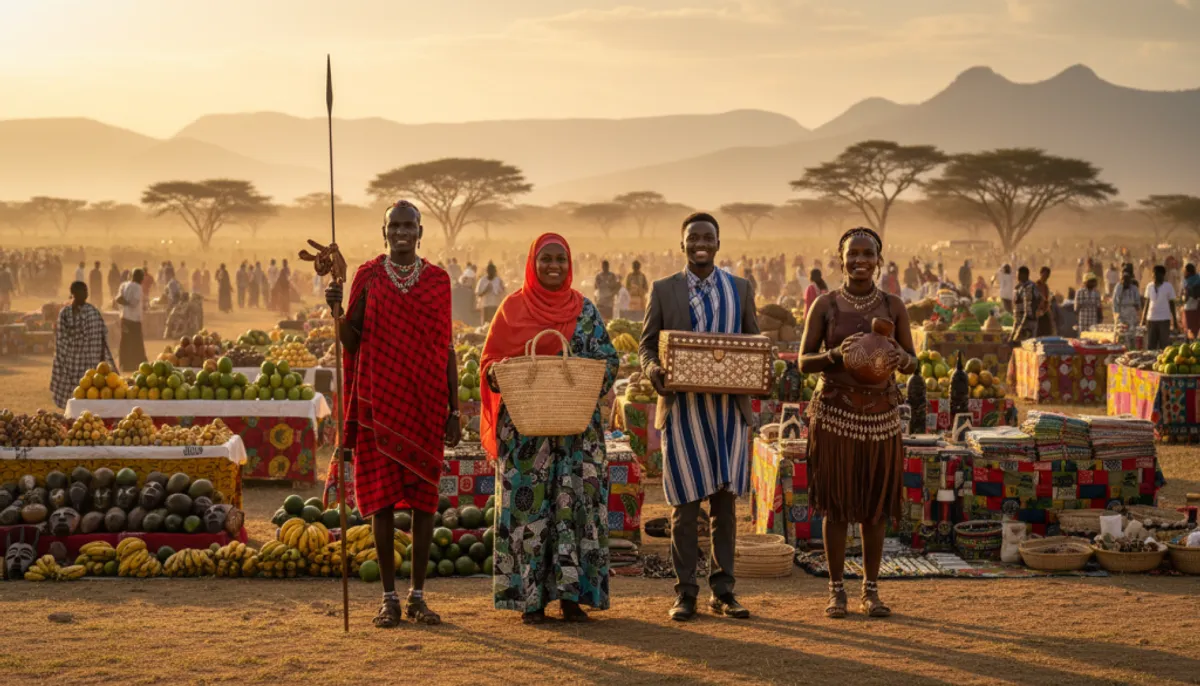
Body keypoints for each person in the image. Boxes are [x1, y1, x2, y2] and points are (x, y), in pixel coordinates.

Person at [324, 201, 459, 629]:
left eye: (409, 225)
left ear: (421, 232)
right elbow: (351, 340)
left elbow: (448, 348)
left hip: (426, 403)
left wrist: (455, 409)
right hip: (378, 403)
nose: (402, 232)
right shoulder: (368, 276)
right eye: (394, 225)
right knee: (380, 503)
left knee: (423, 504)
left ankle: (418, 596)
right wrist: (335, 309)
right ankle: (388, 599)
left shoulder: (439, 281)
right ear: (384, 232)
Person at [479, 234, 618, 624]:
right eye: (546, 259)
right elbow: (489, 361)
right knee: (529, 511)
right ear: (532, 263)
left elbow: (609, 360)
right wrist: (497, 374)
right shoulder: (511, 309)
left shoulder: (586, 311)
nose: (554, 266)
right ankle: (531, 600)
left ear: (569, 263)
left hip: (577, 435)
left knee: (575, 506)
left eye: (560, 259)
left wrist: (577, 376)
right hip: (525, 436)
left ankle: (572, 598)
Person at [640, 212, 759, 623]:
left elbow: (753, 342)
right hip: (684, 414)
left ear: (719, 243)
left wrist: (762, 370)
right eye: (693, 238)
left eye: (708, 237)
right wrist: (653, 370)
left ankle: (723, 591)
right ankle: (685, 592)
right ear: (682, 244)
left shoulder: (740, 289)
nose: (700, 243)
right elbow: (647, 347)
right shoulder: (663, 290)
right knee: (685, 509)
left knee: (725, 509)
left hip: (728, 416)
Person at [799, 227, 914, 619]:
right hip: (835, 415)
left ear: (879, 260)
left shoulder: (894, 306)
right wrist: (835, 355)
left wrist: (902, 359)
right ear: (841, 257)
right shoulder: (826, 305)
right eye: (853, 254)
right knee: (837, 506)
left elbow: (913, 361)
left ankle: (871, 590)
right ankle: (836, 591)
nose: (860, 261)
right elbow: (802, 362)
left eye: (868, 254)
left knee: (875, 507)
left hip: (881, 416)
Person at [50, 281, 117, 408]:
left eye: (86, 291)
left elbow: (101, 337)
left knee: (91, 394)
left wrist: (102, 361)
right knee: (73, 396)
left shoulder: (93, 312)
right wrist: (64, 357)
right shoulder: (65, 313)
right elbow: (60, 338)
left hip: (91, 362)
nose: (86, 294)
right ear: (74, 293)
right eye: (83, 291)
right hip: (71, 363)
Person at [115, 269, 147, 370]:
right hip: (134, 320)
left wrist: (125, 303)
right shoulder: (138, 287)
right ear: (140, 278)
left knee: (125, 341)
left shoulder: (124, 285)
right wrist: (128, 303)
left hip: (124, 318)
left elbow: (118, 299)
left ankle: (124, 364)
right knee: (136, 342)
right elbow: (134, 303)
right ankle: (138, 364)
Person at [1142, 265, 1178, 350]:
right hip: (1151, 319)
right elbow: (1147, 303)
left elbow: (1172, 304)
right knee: (1151, 345)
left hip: (1164, 319)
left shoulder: (1168, 286)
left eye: (1157, 274)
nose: (1154, 277)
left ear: (1162, 275)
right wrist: (1143, 318)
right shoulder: (1149, 286)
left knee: (1164, 346)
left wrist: (1175, 321)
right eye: (1153, 275)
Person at [1011, 267, 1038, 347]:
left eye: (1018, 274)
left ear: (1024, 275)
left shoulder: (1029, 287)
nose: (1017, 276)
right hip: (1020, 323)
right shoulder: (1019, 288)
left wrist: (1020, 329)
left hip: (1027, 325)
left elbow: (1028, 311)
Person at [1035, 267, 1055, 336]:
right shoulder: (1035, 286)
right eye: (1044, 275)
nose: (1046, 277)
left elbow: (1046, 301)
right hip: (1036, 312)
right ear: (1040, 274)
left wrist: (1045, 310)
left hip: (1043, 312)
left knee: (1048, 330)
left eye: (1047, 276)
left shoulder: (1046, 287)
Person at [1183, 263, 1200, 340]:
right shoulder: (1198, 278)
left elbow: (1186, 296)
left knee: (1189, 330)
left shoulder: (1187, 282)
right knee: (1195, 328)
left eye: (1185, 271)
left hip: (1189, 307)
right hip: (1197, 307)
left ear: (1188, 272)